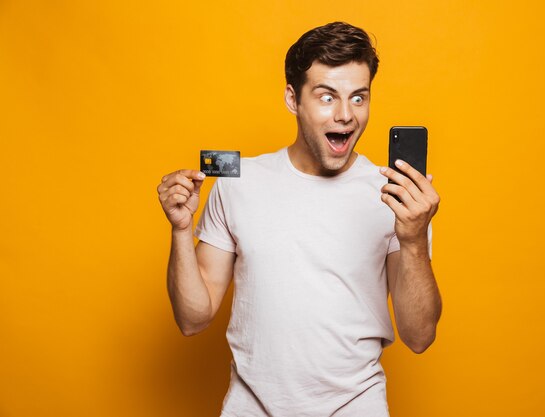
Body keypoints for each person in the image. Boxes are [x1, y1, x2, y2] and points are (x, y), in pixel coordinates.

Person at [157, 21, 442, 417]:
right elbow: (192, 318)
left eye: (359, 98)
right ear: (293, 99)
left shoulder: (396, 197)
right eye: (327, 97)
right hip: (250, 407)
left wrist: (413, 238)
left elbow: (420, 336)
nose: (345, 115)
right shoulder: (239, 184)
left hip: (356, 406)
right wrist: (181, 229)